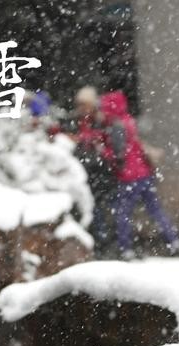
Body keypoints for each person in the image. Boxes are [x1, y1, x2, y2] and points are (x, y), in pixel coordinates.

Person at [99, 90, 179, 259]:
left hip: (129, 176)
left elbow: (119, 154)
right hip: (144, 172)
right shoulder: (128, 121)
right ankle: (173, 240)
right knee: (155, 209)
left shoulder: (116, 126)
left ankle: (125, 248)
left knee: (123, 213)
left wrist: (103, 151)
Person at [70, 86, 115, 252]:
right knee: (94, 208)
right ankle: (100, 241)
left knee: (101, 208)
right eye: (79, 105)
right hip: (87, 170)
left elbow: (104, 141)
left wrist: (84, 139)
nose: (81, 108)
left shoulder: (100, 120)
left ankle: (104, 242)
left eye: (84, 104)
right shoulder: (78, 120)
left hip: (100, 170)